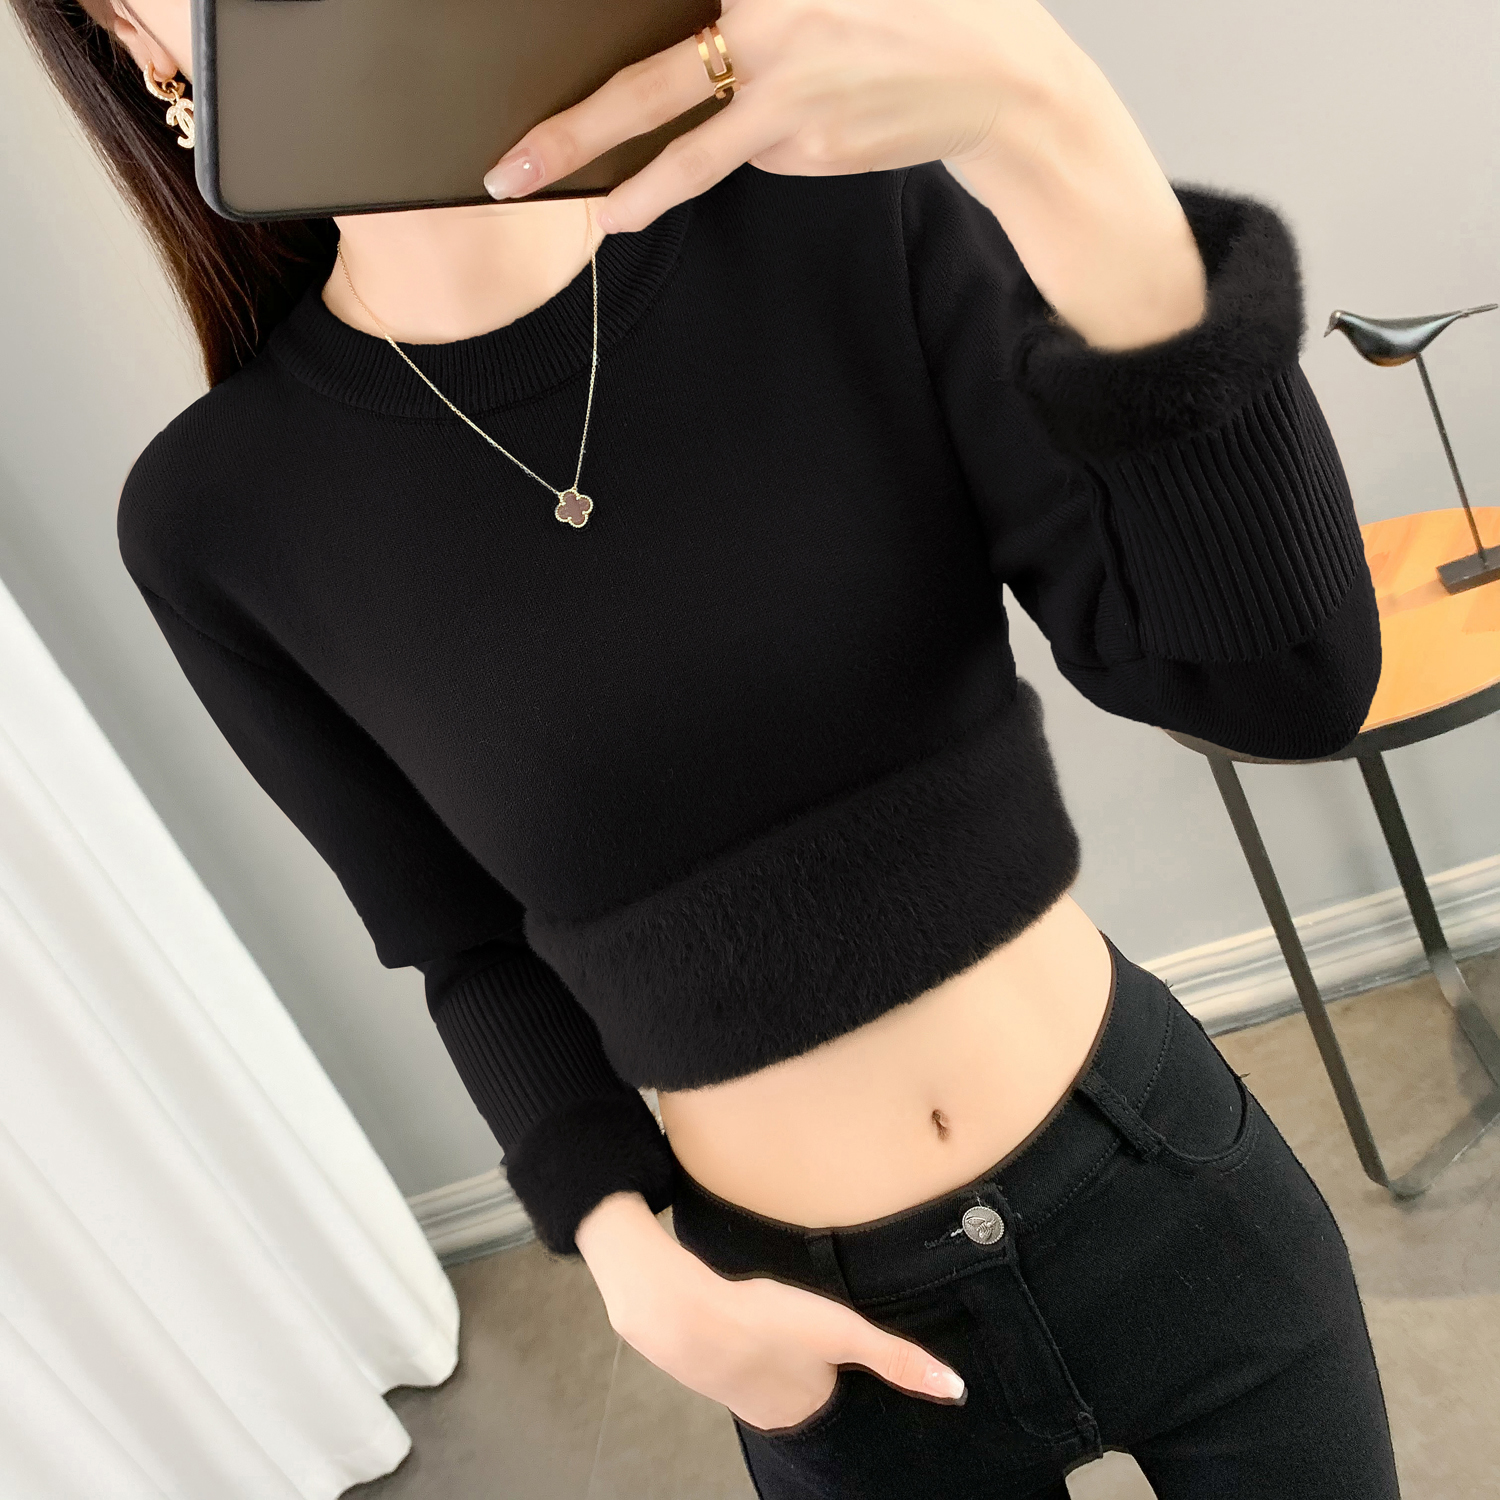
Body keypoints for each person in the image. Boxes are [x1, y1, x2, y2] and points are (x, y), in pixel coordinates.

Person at [16, 0, 1401, 1494]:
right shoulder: (219, 520)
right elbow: (464, 945)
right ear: (130, 38)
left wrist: (1056, 119)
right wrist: (636, 1271)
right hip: (819, 1342)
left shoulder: (838, 215)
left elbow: (1281, 687)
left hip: (1166, 1186)